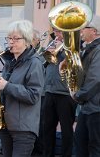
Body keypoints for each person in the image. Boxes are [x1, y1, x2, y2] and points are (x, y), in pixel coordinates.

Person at [0, 20, 45, 157]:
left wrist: (7, 86)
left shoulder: (34, 63)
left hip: (23, 128)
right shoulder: (10, 62)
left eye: (16, 39)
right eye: (9, 38)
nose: (11, 42)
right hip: (7, 124)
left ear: (27, 41)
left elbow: (33, 95)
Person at [65, 15, 100, 157]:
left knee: (94, 147)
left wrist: (78, 95)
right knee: (80, 145)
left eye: (84, 27)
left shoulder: (98, 49)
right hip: (88, 107)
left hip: (95, 108)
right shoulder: (89, 48)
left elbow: (95, 79)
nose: (81, 31)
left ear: (95, 31)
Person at [42, 28, 77, 157]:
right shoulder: (52, 44)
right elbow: (42, 64)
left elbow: (74, 65)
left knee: (66, 130)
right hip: (49, 91)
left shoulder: (73, 45)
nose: (56, 34)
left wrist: (62, 51)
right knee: (47, 128)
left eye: (59, 32)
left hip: (65, 94)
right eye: (55, 31)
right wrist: (48, 54)